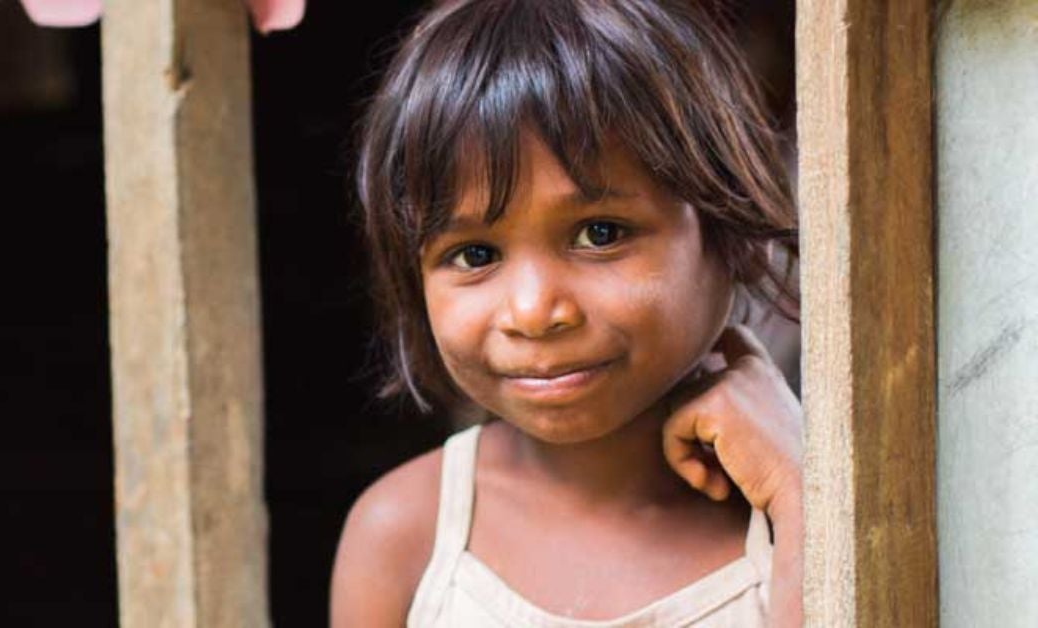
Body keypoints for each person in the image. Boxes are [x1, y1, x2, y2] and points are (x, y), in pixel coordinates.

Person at [331, 1, 803, 626]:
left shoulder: (794, 523)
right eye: (474, 253)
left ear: (731, 232)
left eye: (601, 234)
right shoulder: (405, 540)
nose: (533, 312)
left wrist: (801, 495)